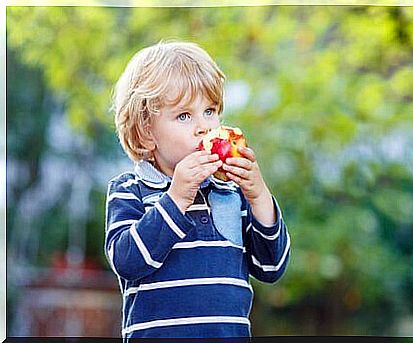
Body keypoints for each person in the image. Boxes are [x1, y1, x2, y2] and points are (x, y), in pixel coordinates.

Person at [105, 40, 290, 340]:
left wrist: (258, 196)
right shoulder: (130, 191)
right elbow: (128, 261)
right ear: (146, 132)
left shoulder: (231, 192)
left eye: (209, 110)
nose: (203, 127)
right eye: (184, 116)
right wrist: (176, 198)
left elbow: (271, 267)